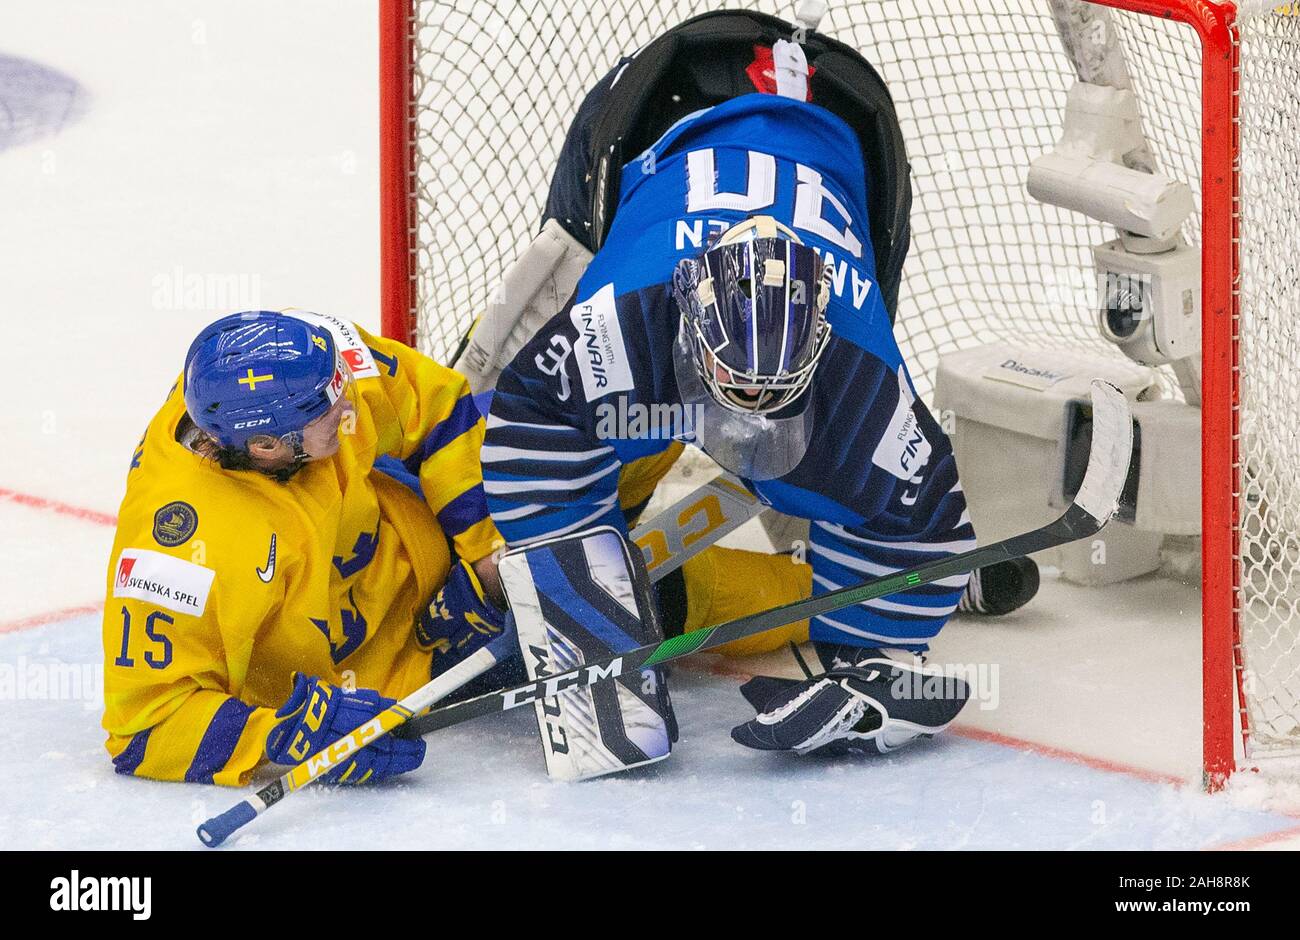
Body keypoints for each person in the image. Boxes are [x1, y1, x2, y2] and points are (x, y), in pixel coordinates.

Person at [468, 11, 1037, 758]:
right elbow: (530, 412)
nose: (749, 421)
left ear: (821, 340)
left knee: (849, 475)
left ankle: (835, 556)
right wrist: (561, 576)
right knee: (514, 427)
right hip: (653, 116)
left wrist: (877, 660)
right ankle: (579, 531)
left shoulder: (862, 379)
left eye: (775, 395)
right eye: (735, 388)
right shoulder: (618, 325)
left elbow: (922, 514)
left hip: (843, 130)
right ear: (685, 326)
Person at [102, 309, 507, 785]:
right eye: (328, 410)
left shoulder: (308, 370)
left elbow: (437, 407)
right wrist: (288, 734)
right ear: (267, 445)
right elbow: (145, 728)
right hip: (387, 676)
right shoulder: (180, 553)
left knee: (559, 420)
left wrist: (487, 555)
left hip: (434, 555)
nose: (348, 406)